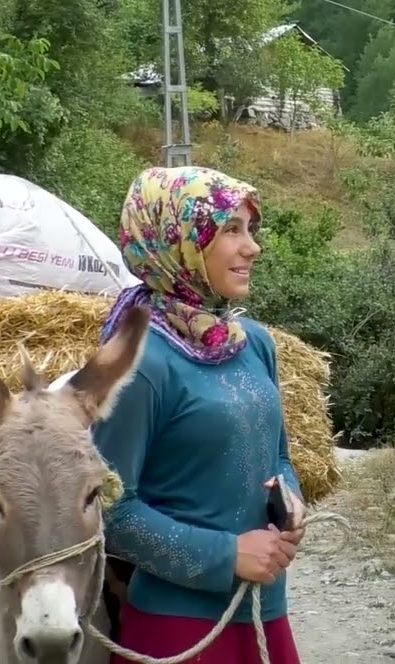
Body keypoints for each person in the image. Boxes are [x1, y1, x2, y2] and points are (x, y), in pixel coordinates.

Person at [92, 166, 306, 663]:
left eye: (250, 229)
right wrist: (228, 556)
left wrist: (290, 502)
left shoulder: (253, 342)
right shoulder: (140, 363)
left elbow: (278, 458)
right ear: (179, 244)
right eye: (231, 230)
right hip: (180, 631)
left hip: (264, 611)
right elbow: (107, 509)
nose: (252, 246)